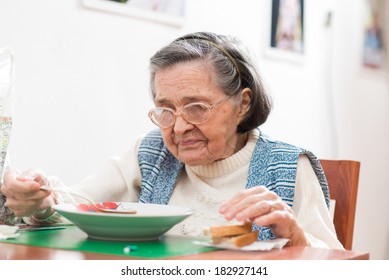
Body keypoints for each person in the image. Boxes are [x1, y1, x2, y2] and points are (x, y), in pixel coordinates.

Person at [0, 31, 343, 249]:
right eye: (165, 109)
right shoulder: (150, 152)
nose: (178, 128)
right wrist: (37, 199)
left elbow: (337, 264)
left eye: (196, 108)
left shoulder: (288, 166)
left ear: (243, 103)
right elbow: (76, 204)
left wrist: (295, 234)